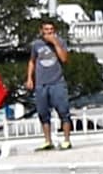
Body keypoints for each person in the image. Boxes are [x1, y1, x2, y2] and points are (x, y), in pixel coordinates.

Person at [27, 19, 75, 152]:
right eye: (46, 30)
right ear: (41, 31)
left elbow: (64, 59)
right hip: (41, 83)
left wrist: (55, 43)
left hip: (57, 82)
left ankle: (66, 140)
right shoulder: (36, 45)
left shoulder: (60, 42)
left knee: (63, 112)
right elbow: (32, 61)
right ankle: (47, 141)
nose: (48, 33)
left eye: (51, 30)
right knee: (43, 113)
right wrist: (30, 78)